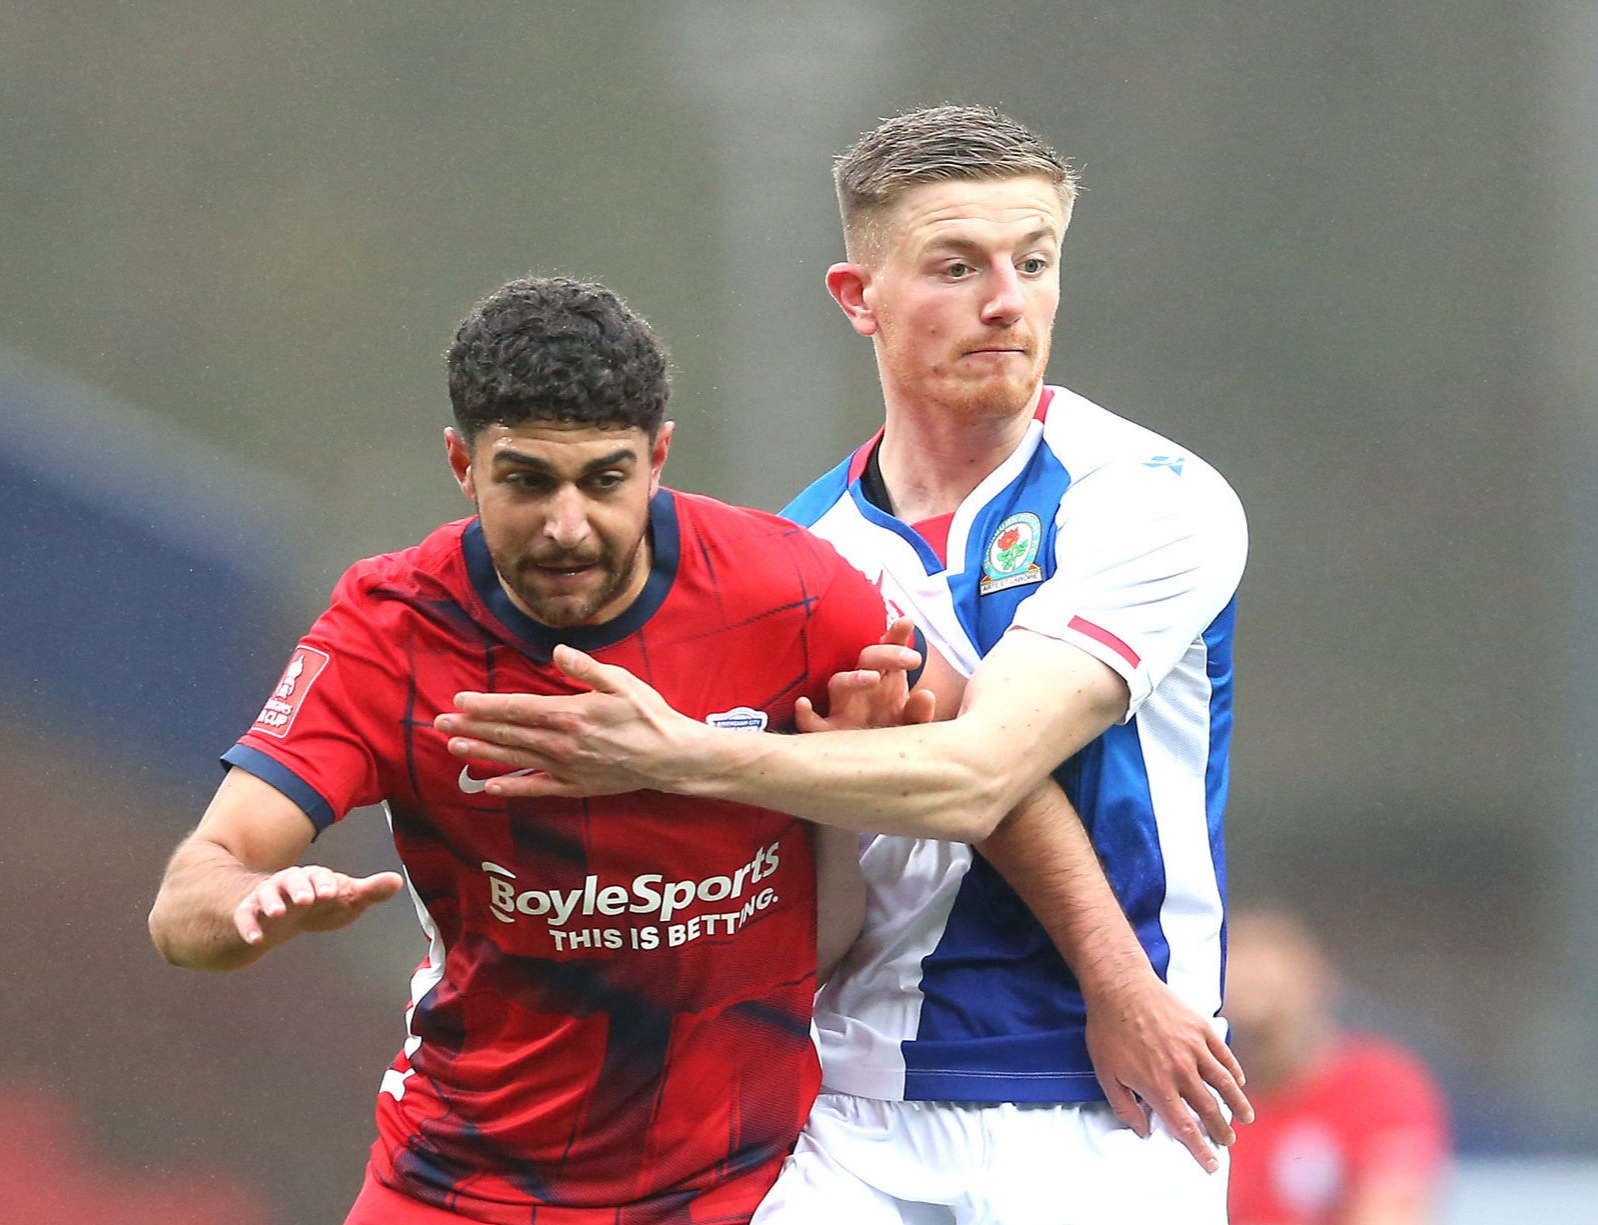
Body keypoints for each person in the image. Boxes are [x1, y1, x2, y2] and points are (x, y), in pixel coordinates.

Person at [436, 104, 1251, 1223]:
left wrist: (681, 757)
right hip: (850, 1106)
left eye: (1034, 261)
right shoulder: (800, 551)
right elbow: (812, 920)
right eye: (955, 266)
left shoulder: (1148, 499)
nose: (1005, 301)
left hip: (1100, 1097)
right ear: (856, 297)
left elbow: (975, 775)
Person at [147, 275, 911, 1224]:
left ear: (659, 457)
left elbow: (981, 762)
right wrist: (253, 904)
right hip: (457, 1183)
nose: (567, 526)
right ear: (463, 465)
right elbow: (188, 903)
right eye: (526, 480)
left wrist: (850, 771)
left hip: (749, 1184)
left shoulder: (788, 591)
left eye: (604, 479)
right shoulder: (390, 628)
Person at [1223, 907, 1451, 1225]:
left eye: (1269, 985)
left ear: (1321, 981)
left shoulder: (1378, 1087)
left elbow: (1390, 1211)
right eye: (1241, 986)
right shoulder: (1201, 1100)